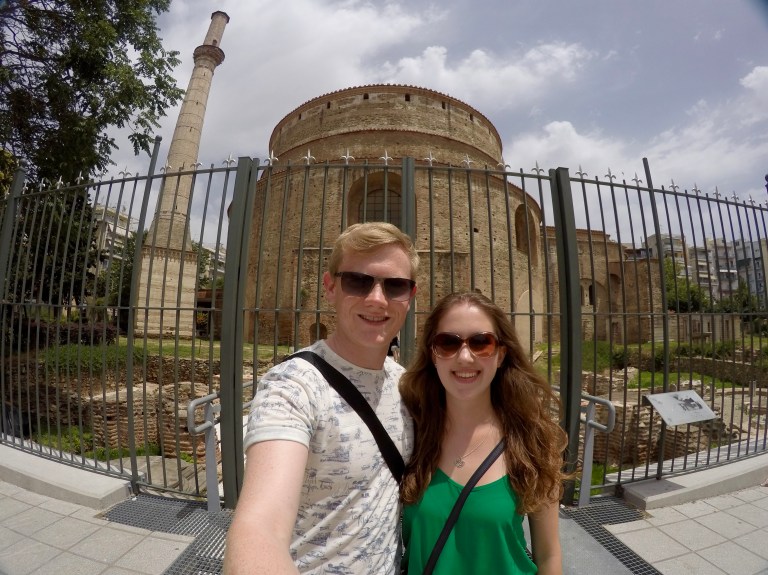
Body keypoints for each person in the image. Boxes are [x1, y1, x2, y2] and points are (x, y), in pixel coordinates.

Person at [223, 222, 419, 575]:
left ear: (410, 296)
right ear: (330, 288)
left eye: (395, 286)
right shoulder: (293, 385)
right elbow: (259, 526)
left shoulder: (406, 384)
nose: (377, 298)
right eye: (357, 281)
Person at [399, 292, 567, 574]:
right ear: (433, 354)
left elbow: (549, 555)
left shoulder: (529, 439)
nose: (465, 356)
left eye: (481, 343)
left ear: (501, 354)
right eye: (448, 343)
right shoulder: (408, 432)